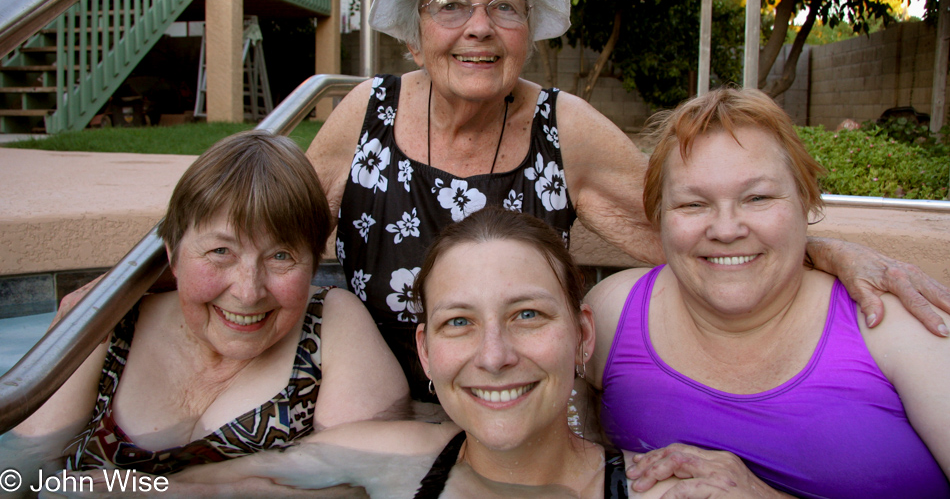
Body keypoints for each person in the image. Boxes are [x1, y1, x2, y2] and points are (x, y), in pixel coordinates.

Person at [306, 0, 950, 401]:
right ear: (415, 38)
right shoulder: (367, 113)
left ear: (526, 35)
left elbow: (690, 227)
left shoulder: (563, 127)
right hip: (375, 401)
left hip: (521, 404)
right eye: (450, 6)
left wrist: (828, 254)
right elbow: (276, 235)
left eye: (504, 7)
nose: (479, 26)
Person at [585, 88, 950, 498]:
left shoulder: (893, 324)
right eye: (692, 204)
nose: (725, 230)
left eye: (757, 198)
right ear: (659, 219)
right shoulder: (612, 314)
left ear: (806, 201)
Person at [3, 131, 407, 495]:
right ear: (173, 256)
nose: (248, 292)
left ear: (313, 263)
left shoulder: (332, 324)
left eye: (281, 256)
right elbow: (21, 469)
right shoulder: (111, 320)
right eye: (220, 252)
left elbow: (362, 482)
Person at [173, 208, 668, 498]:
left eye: (527, 315)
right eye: (459, 322)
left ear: (583, 335)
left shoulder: (660, 489)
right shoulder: (385, 457)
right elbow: (178, 490)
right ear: (425, 351)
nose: (494, 357)